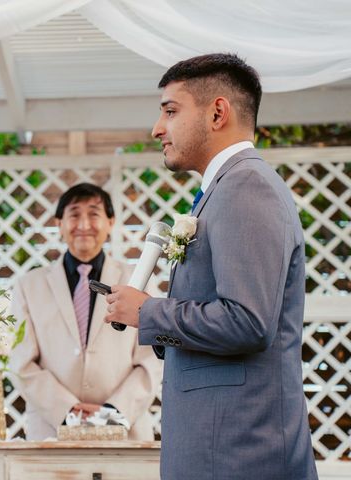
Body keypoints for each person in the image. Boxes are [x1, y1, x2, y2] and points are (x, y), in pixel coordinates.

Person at [105, 54, 318, 479]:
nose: (157, 129)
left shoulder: (247, 187)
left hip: (240, 452)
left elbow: (248, 321)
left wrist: (148, 311)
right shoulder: (224, 189)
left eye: (170, 111)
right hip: (217, 447)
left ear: (218, 112)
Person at [9, 183, 161, 440]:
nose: (84, 223)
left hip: (127, 427)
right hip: (51, 428)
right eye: (74, 214)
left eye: (94, 214)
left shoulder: (138, 280)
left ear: (111, 222)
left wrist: (113, 413)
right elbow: (21, 361)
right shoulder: (28, 286)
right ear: (59, 223)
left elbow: (152, 359)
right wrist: (69, 412)